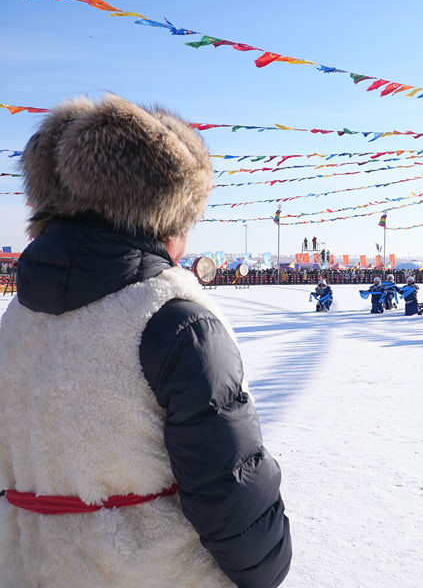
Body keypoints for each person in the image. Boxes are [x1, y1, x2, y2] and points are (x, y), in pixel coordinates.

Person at [0, 95, 291, 588]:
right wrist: (268, 564)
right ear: (165, 219)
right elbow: (228, 487)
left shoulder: (19, 316)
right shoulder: (176, 319)